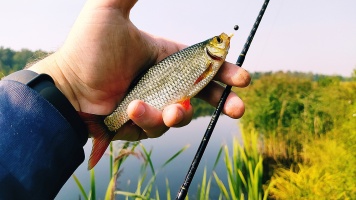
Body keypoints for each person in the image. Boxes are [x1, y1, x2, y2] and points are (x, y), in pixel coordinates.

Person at [0, 0, 251, 199]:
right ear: (210, 47)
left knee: (171, 111)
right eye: (218, 41)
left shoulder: (207, 59)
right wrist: (68, 83)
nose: (223, 42)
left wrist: (68, 87)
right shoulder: (205, 56)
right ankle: (104, 125)